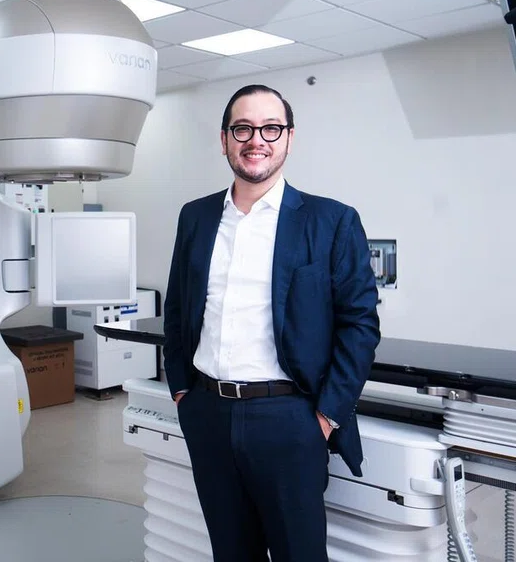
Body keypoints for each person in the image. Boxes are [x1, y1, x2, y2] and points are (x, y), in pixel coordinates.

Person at [162, 84, 381, 562]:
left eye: (270, 128)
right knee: (231, 553)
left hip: (290, 419)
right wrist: (182, 390)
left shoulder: (331, 221)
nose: (255, 139)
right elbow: (177, 307)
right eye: (242, 128)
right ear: (224, 139)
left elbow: (360, 324)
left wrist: (323, 418)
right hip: (209, 413)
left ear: (288, 138)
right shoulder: (196, 217)